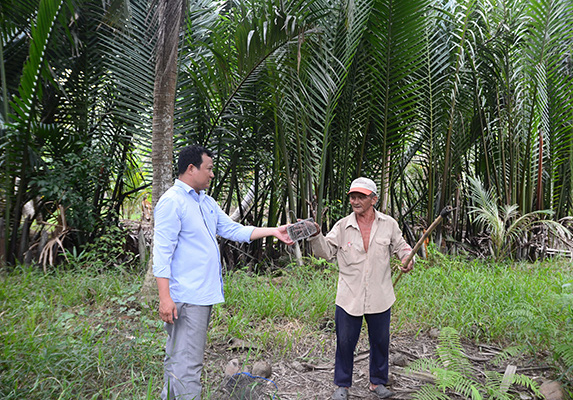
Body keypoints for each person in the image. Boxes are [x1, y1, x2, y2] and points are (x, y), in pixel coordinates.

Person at [152, 145, 293, 400]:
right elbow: (162, 254)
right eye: (209, 169)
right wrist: (165, 298)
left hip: (201, 295)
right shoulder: (172, 202)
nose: (212, 174)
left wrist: (274, 231)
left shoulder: (205, 202)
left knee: (180, 360)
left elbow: (232, 229)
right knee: (188, 363)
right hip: (186, 296)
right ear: (191, 169)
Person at [308, 177, 414, 400]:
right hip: (349, 296)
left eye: (361, 197)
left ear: (373, 199)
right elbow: (325, 252)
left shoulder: (389, 224)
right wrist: (316, 235)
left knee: (380, 341)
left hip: (380, 294)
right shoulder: (342, 226)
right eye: (352, 197)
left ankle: (377, 382)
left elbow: (402, 246)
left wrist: (407, 258)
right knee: (345, 342)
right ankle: (342, 385)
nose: (355, 201)